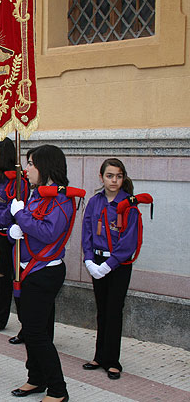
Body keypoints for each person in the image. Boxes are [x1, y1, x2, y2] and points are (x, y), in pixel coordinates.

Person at [8, 145, 84, 402]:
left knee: (36, 333)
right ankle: (36, 378)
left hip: (43, 272)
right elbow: (28, 225)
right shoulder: (36, 194)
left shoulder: (61, 198)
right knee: (34, 329)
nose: (26, 169)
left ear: (46, 166)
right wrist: (14, 229)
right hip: (26, 270)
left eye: (31, 164)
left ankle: (58, 389)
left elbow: (49, 232)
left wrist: (20, 217)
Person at [81, 158, 146, 380]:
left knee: (114, 311)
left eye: (118, 176)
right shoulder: (94, 201)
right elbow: (87, 231)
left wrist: (110, 265)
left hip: (118, 265)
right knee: (101, 310)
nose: (114, 180)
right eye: (109, 176)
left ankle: (113, 360)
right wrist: (89, 260)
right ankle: (100, 355)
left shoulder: (129, 205)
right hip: (97, 263)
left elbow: (128, 241)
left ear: (123, 178)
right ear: (101, 177)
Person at [0, 138, 29, 344]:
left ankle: (22, 325)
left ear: (4, 153)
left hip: (8, 237)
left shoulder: (19, 181)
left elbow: (16, 210)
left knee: (12, 279)